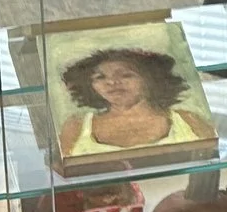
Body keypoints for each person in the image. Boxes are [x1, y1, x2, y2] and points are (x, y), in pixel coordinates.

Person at [57, 46, 215, 161]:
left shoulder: (188, 121)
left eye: (125, 75)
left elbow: (214, 159)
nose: (112, 82)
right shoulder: (76, 127)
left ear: (150, 79)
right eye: (100, 77)